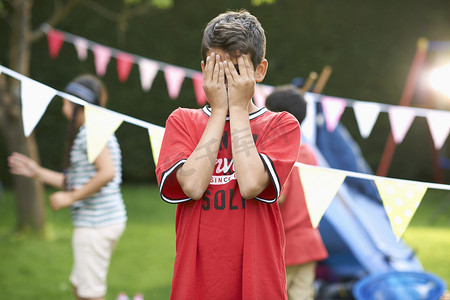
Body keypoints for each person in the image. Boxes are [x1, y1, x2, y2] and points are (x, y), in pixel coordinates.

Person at [155, 10, 301, 300]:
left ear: (259, 71)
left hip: (258, 283)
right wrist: (219, 110)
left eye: (236, 70)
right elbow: (193, 186)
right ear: (203, 70)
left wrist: (236, 110)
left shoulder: (281, 125)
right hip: (195, 285)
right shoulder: (182, 121)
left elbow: (250, 185)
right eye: (217, 70)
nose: (226, 80)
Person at [8, 74, 126, 300]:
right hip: (102, 221)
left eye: (64, 101)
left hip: (96, 224)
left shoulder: (91, 131)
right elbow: (76, 180)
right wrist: (37, 171)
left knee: (89, 293)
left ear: (76, 105)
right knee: (79, 286)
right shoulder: (91, 131)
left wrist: (71, 198)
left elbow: (107, 173)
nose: (62, 105)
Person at [265, 85, 328, 300]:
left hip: (284, 245)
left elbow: (277, 196)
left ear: (273, 117)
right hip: (309, 241)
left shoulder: (277, 151)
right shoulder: (309, 153)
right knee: (303, 295)